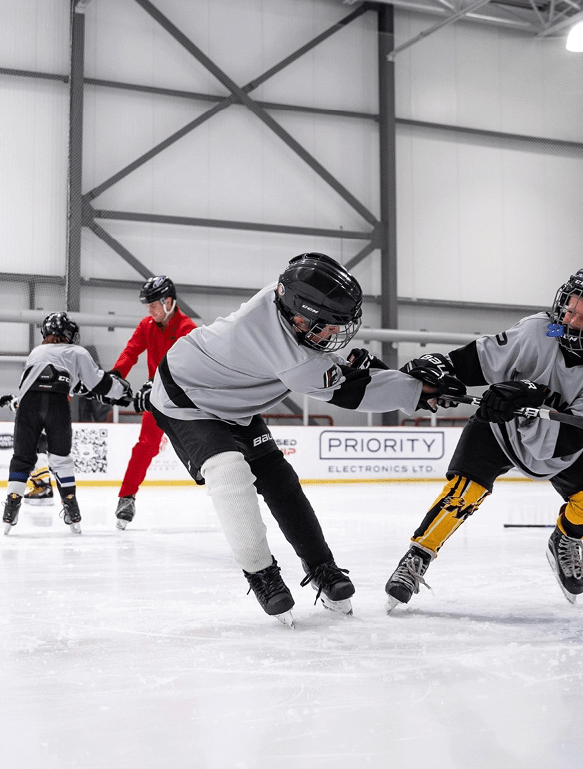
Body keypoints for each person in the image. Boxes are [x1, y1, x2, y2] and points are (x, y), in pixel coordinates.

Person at [146, 253, 464, 626]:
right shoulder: (286, 352)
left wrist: (380, 374)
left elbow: (329, 365)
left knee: (280, 480)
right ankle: (260, 573)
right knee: (229, 472)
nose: (334, 334)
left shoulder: (283, 305)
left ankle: (321, 566)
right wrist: (416, 391)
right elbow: (348, 392)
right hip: (184, 397)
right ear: (300, 315)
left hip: (229, 397)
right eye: (328, 326)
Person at [384, 265, 583, 609]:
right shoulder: (539, 330)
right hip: (497, 427)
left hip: (555, 446)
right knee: (463, 492)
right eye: (571, 309)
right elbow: (479, 360)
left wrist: (536, 395)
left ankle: (565, 540)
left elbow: (567, 442)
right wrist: (441, 367)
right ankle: (417, 556)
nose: (573, 321)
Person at [2, 312, 133, 536]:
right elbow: (98, 383)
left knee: (22, 459)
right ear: (67, 334)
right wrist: (123, 390)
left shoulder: (36, 352)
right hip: (57, 406)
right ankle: (72, 511)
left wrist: (16, 405)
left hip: (28, 408)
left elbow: (30, 388)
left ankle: (11, 509)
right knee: (61, 460)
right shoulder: (77, 351)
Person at [110, 276, 197, 529]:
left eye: (153, 305)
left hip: (183, 397)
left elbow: (187, 369)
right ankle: (126, 498)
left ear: (168, 301)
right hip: (155, 398)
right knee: (145, 446)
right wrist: (115, 377)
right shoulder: (147, 325)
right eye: (147, 306)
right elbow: (130, 352)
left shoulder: (186, 329)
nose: (150, 310)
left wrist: (159, 384)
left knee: (200, 447)